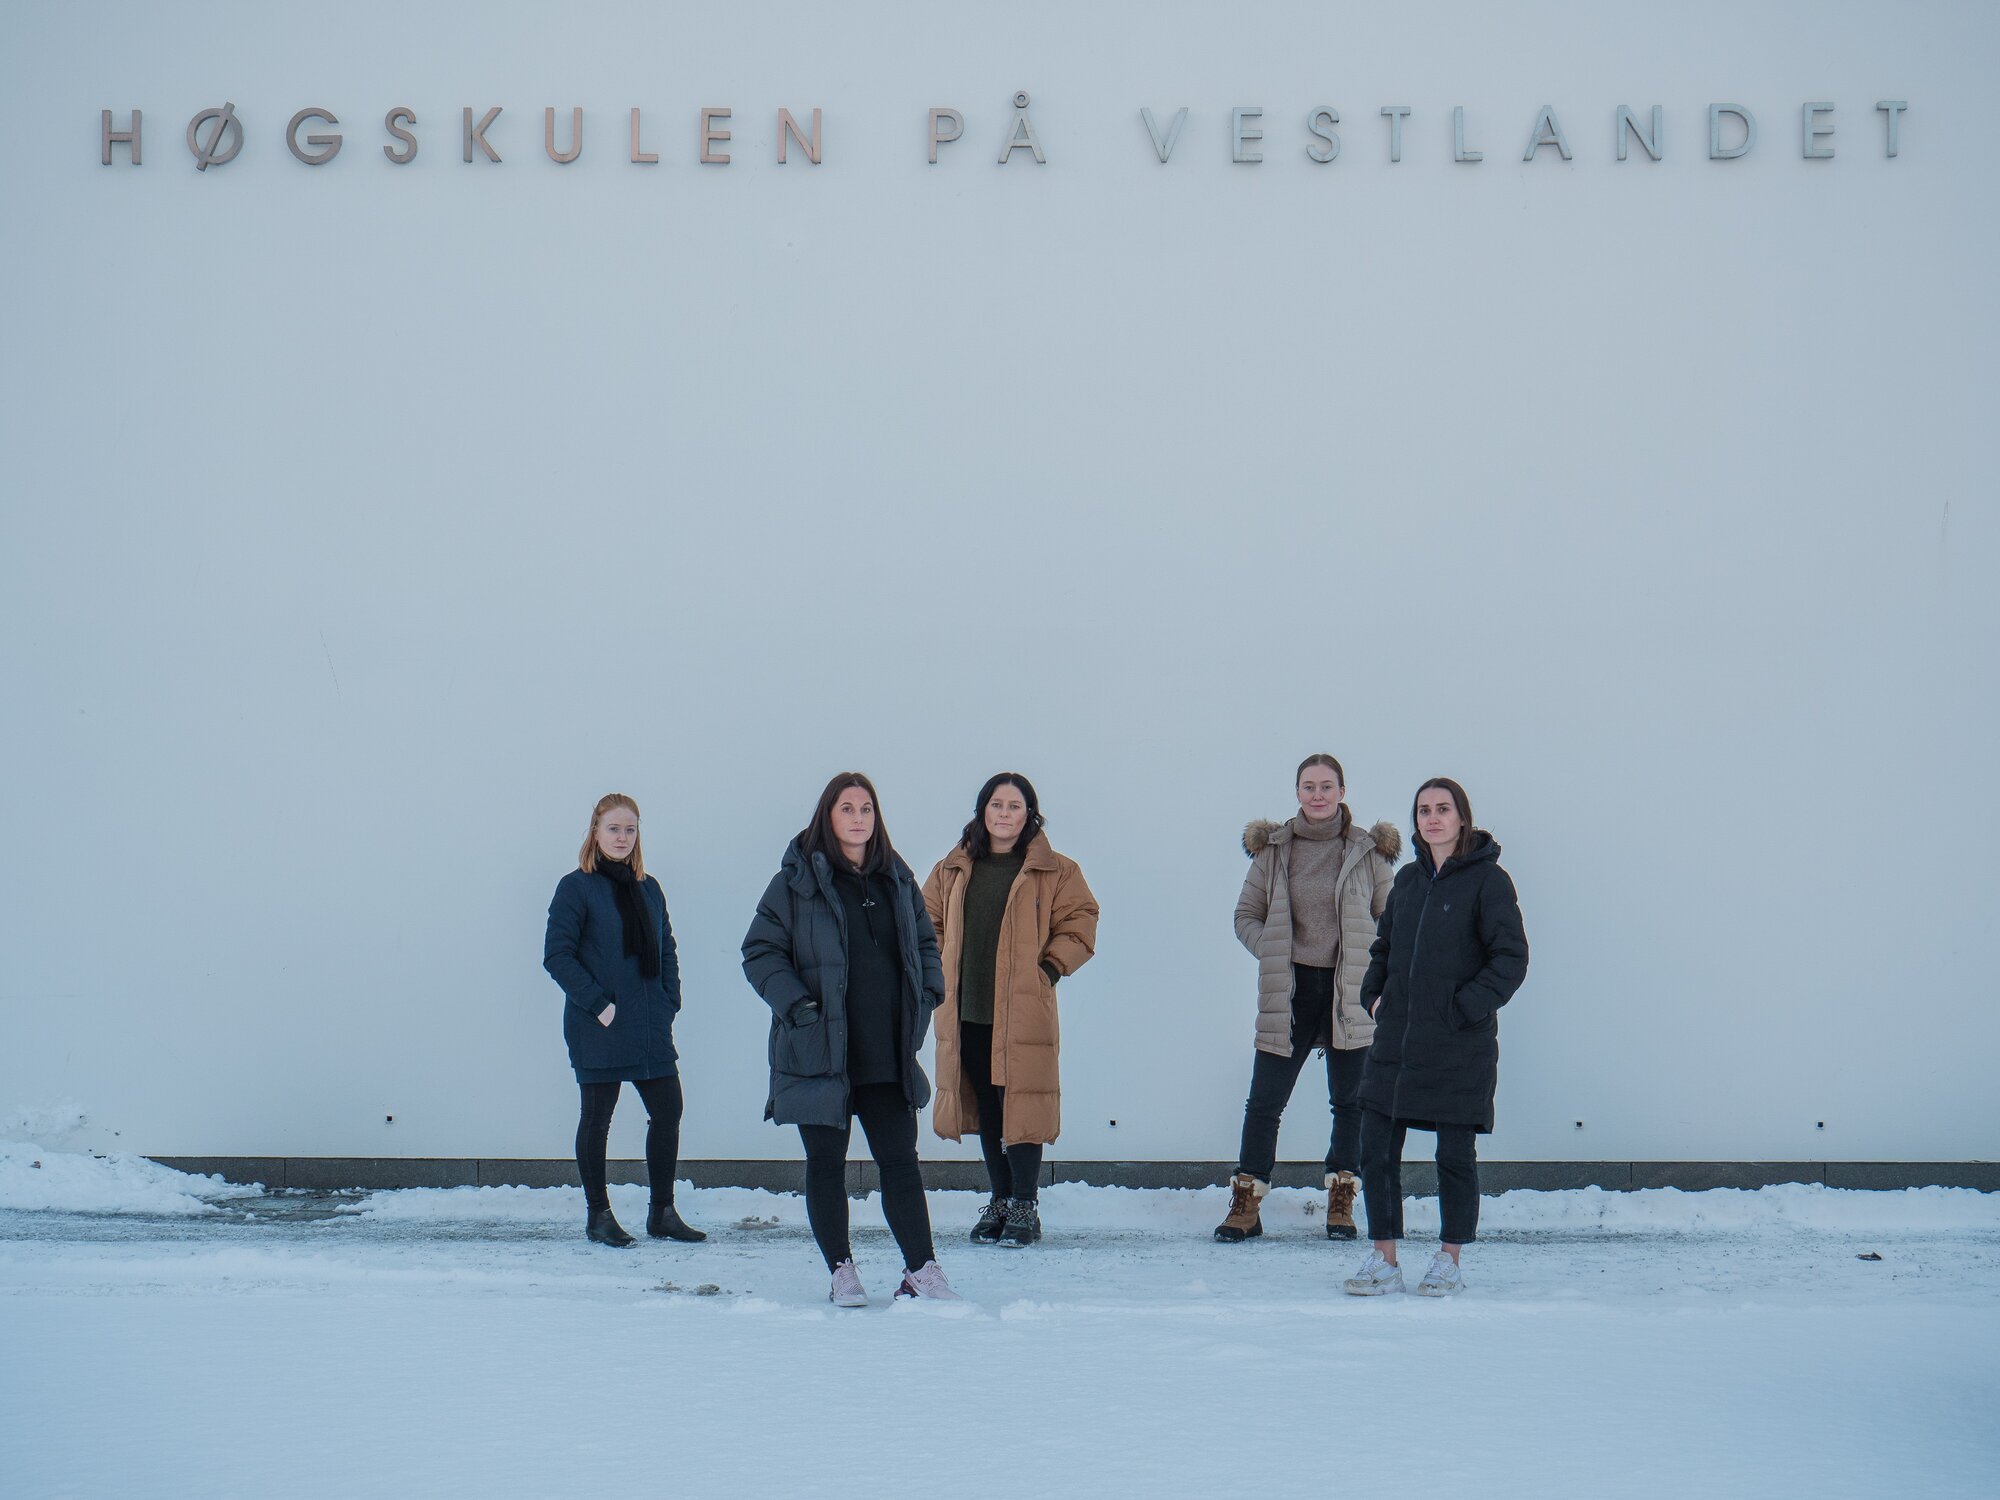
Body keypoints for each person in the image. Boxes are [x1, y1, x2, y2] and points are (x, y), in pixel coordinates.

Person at [741, 772, 961, 1305]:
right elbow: (760, 951)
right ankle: (842, 1271)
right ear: (828, 815)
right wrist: (797, 1007)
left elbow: (925, 942)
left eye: (866, 809)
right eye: (847, 808)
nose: (858, 818)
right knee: (826, 1165)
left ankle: (921, 1269)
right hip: (820, 1050)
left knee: (901, 1163)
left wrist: (928, 994)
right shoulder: (795, 881)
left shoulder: (896, 878)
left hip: (885, 1050)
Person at [1345, 777, 1528, 1297]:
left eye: (1442, 809)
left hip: (1458, 1044)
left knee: (1454, 1156)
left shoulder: (1489, 881)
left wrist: (1462, 1008)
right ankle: (1384, 1260)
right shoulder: (1407, 880)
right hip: (1397, 1043)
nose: (1432, 818)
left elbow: (1511, 958)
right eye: (1424, 810)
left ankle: (1449, 1260)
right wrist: (1375, 997)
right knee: (1375, 1148)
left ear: (1461, 817)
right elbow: (1383, 947)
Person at [1215, 754, 1400, 1243]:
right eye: (1308, 786)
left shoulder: (1366, 851)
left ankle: (1342, 1197)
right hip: (1290, 988)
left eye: (1326, 786)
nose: (1318, 795)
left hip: (1349, 989)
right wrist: (1274, 950)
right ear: (1297, 792)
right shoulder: (1274, 850)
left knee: (1351, 1102)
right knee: (1265, 1102)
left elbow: (1392, 922)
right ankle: (1246, 1201)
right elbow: (1245, 915)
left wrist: (1374, 970)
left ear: (1342, 791)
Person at [923, 773, 1100, 1248]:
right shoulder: (953, 868)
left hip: (1022, 1009)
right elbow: (926, 922)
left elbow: (1081, 919)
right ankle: (1000, 1200)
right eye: (996, 804)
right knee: (988, 1105)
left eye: (1014, 806)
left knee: (1022, 1102)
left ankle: (1025, 1205)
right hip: (968, 1008)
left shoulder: (1056, 870)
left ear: (1029, 814)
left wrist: (1050, 968)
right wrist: (938, 965)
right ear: (983, 810)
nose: (1004, 814)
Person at [542, 793, 704, 1248]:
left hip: (649, 1023)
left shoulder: (648, 888)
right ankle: (598, 1216)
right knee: (597, 1119)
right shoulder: (575, 887)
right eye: (613, 828)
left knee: (668, 1110)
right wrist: (600, 1005)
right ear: (595, 831)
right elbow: (557, 955)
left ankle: (662, 1213)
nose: (622, 837)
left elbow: (666, 947)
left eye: (630, 829)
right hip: (599, 1025)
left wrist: (670, 1000)